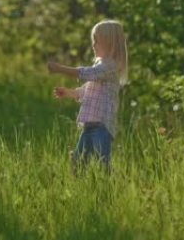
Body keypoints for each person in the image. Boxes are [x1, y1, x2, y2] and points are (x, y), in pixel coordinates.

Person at [47, 20, 128, 172]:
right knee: (79, 161)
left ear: (110, 44)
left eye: (97, 41)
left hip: (102, 125)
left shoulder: (110, 67)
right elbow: (85, 91)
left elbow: (87, 73)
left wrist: (60, 69)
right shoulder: (100, 68)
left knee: (102, 161)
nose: (93, 45)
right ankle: (80, 183)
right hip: (89, 125)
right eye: (93, 41)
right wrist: (69, 92)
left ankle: (110, 187)